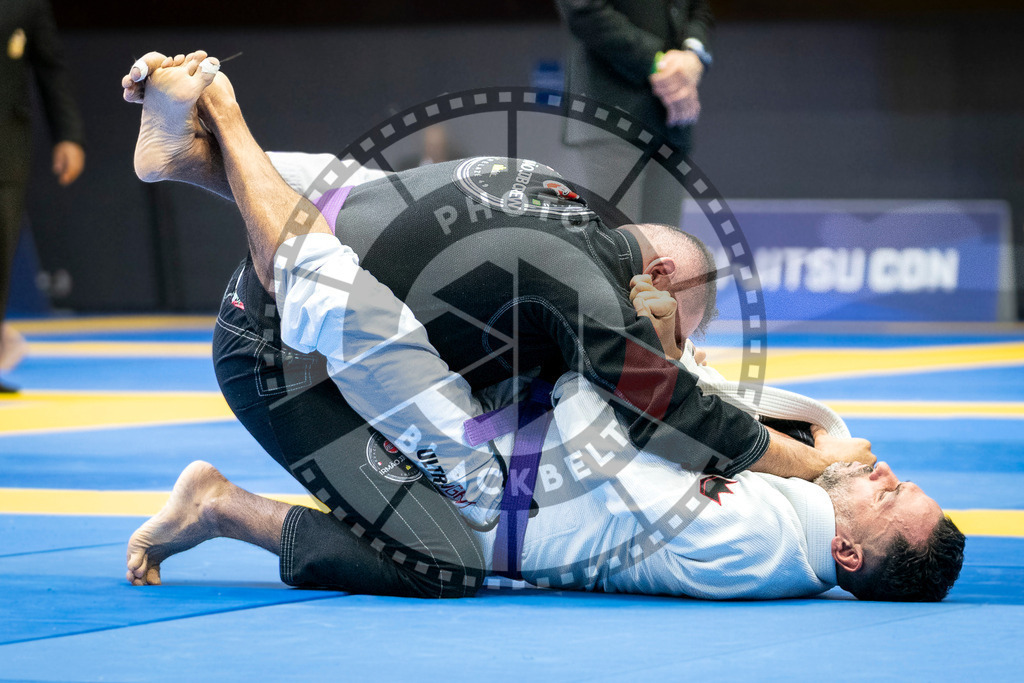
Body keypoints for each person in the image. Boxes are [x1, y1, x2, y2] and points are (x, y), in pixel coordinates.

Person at [124, 54, 963, 602]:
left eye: (891, 494)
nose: (887, 474)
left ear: (851, 553)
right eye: (897, 477)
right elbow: (656, 400)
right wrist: (806, 452)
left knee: (435, 507)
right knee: (372, 328)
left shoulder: (763, 542)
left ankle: (218, 145)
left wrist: (645, 376)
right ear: (657, 285)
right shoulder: (596, 302)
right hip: (328, 293)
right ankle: (216, 134)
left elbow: (624, 419)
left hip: (490, 477)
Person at [554, 0, 712, 228]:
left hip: (672, 121)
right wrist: (660, 63)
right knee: (615, 253)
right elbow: (582, 9)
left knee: (667, 255)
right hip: (609, 118)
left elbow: (699, 9)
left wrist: (693, 56)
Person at [0, 0, 86, 392]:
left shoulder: (26, 4)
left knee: (1, 243)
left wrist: (68, 134)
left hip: (6, 144)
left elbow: (50, 66)